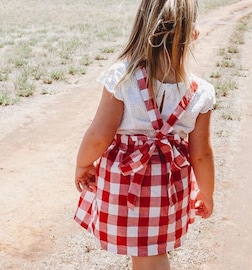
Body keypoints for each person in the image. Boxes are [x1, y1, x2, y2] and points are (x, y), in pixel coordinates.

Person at [74, 0, 215, 269]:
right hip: (168, 185)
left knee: (148, 256)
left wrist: (83, 164)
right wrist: (206, 193)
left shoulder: (122, 78)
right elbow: (201, 154)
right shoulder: (201, 92)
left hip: (126, 183)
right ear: (193, 34)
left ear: (141, 28)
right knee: (149, 253)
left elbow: (99, 136)